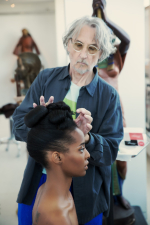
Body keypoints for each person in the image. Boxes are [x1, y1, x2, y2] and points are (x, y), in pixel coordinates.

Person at [12, 16, 123, 225]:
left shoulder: (109, 96)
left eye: (92, 48)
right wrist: (38, 124)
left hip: (86, 189)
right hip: (40, 179)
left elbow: (110, 151)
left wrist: (87, 137)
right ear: (68, 44)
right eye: (78, 44)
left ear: (100, 54)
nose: (82, 54)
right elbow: (18, 124)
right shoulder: (45, 79)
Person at [92, 0, 131, 210]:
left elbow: (127, 39)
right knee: (98, 155)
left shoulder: (117, 53)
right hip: (94, 108)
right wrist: (94, 17)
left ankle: (118, 195)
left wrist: (105, 17)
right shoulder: (89, 53)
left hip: (117, 109)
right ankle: (102, 199)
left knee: (122, 158)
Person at [24, 101, 90, 225]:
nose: (88, 155)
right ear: (57, 157)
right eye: (81, 149)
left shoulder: (50, 191)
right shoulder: (58, 217)